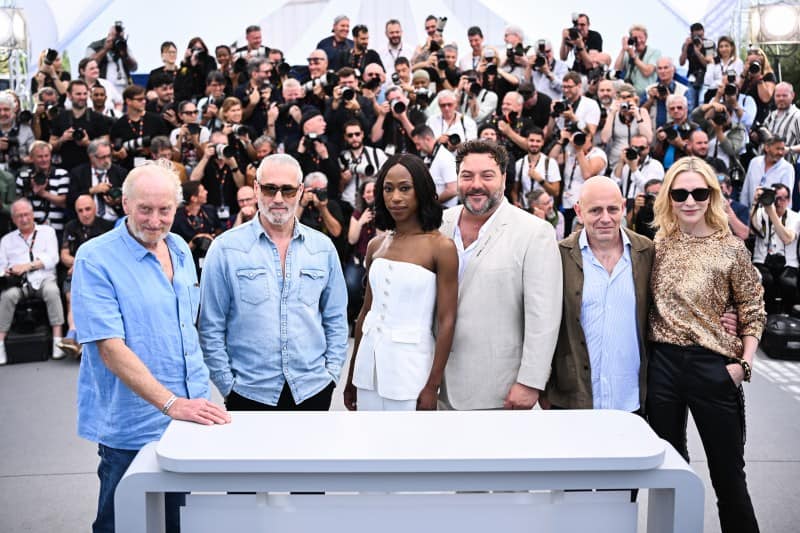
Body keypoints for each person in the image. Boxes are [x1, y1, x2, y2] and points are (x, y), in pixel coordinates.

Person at [72, 162, 231, 532]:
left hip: (189, 417)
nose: (155, 221)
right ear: (125, 203)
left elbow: (188, 327)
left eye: (165, 211)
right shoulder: (95, 258)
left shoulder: (179, 248)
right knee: (122, 523)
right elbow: (111, 349)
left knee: (176, 521)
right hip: (133, 426)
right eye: (145, 209)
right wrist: (170, 403)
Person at [647, 156, 764, 533]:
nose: (690, 200)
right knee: (667, 473)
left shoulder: (731, 249)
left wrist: (742, 365)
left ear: (713, 195)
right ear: (669, 197)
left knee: (728, 476)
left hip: (713, 367)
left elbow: (752, 310)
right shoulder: (657, 246)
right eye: (681, 193)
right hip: (662, 366)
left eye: (700, 192)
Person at [199, 154, 348, 411]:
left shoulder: (322, 248)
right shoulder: (225, 249)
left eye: (288, 190)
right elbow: (210, 326)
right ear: (256, 188)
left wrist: (331, 374)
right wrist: (226, 385)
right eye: (270, 189)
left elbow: (336, 318)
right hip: (249, 392)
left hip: (313, 389)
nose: (278, 199)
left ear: (301, 191)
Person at [438, 140, 562, 410]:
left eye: (487, 175)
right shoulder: (437, 224)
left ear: (504, 178)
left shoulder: (534, 232)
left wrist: (530, 382)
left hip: (498, 389)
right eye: (467, 176)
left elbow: (544, 316)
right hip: (435, 385)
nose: (476, 184)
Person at [344, 154, 458, 410]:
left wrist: (432, 385)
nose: (395, 197)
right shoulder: (376, 245)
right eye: (388, 188)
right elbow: (365, 313)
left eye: (405, 188)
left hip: (412, 373)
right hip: (368, 371)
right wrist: (352, 376)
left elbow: (447, 320)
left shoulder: (441, 247)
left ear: (422, 190)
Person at [545, 176, 653, 412]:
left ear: (623, 208)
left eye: (612, 209)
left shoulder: (647, 252)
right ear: (579, 212)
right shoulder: (559, 255)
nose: (605, 218)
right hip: (573, 400)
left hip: (632, 401)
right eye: (595, 210)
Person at [0, 199, 64, 365]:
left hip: (43, 278)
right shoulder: (6, 240)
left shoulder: (47, 232)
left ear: (32, 214)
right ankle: (0, 342)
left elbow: (53, 258)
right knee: (7, 296)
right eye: (19, 216)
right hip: (19, 283)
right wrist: (8, 271)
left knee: (52, 291)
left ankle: (57, 339)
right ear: (13, 219)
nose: (24, 219)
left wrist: (27, 266)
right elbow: (1, 266)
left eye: (26, 214)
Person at [59, 195, 114, 358]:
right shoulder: (71, 226)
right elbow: (64, 255)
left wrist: (81, 265)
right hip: (76, 273)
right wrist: (78, 264)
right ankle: (76, 336)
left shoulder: (107, 227)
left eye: (88, 209)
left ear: (95, 209)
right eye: (80, 211)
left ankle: (74, 336)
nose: (84, 214)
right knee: (72, 297)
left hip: (101, 274)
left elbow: (110, 256)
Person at [751, 183, 799, 314]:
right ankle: (767, 318)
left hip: (788, 263)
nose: (779, 202)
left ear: (789, 200)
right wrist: (755, 203)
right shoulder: (761, 212)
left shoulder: (796, 217)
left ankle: (787, 317)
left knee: (788, 283)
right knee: (766, 281)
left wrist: (771, 212)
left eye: (783, 198)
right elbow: (752, 229)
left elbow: (787, 238)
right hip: (762, 261)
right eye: (776, 198)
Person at [67, 139, 127, 222]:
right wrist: (92, 190)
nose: (107, 160)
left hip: (114, 220)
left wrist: (117, 202)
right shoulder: (78, 173)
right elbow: (70, 199)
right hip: (89, 223)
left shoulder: (120, 172)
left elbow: (130, 200)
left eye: (109, 156)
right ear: (91, 157)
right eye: (102, 157)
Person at [740, 135, 794, 208]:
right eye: (777, 149)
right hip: (750, 214)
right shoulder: (754, 162)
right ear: (767, 148)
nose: (781, 153)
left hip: (772, 216)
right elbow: (745, 191)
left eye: (782, 149)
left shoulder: (787, 168)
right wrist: (744, 213)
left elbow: (786, 199)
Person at [614, 24, 660, 98]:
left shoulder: (654, 52)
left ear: (646, 38)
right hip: (628, 94)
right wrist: (623, 49)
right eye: (635, 38)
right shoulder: (628, 52)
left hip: (646, 95)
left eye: (641, 38)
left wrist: (633, 56)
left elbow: (647, 72)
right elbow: (617, 69)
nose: (638, 41)